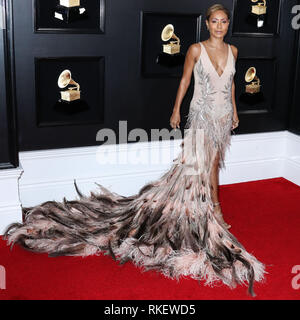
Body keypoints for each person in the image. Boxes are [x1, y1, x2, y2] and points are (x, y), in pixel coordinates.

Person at [3, 4, 266, 297]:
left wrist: (234, 111)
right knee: (196, 165)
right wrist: (176, 109)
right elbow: (185, 81)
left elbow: (230, 84)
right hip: (202, 114)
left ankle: (213, 206)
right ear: (207, 24)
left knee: (214, 162)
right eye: (215, 21)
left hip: (222, 115)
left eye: (224, 21)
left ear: (228, 24)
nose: (219, 25)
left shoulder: (234, 51)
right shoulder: (194, 49)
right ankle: (212, 209)